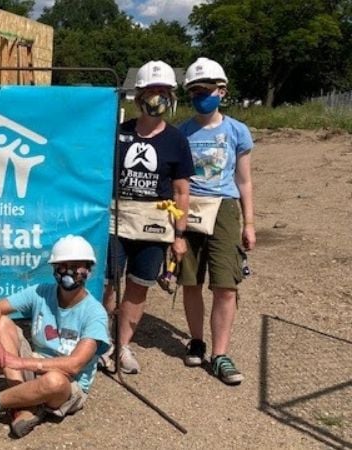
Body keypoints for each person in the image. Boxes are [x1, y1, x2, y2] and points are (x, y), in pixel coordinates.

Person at [0, 235, 110, 438]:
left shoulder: (95, 313)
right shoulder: (41, 292)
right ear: (54, 268)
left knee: (54, 381)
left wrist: (20, 362)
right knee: (1, 322)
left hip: (68, 384)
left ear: (88, 269)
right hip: (36, 363)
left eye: (76, 265)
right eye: (62, 265)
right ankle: (24, 406)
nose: (68, 271)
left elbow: (74, 365)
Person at [102, 60, 194, 374]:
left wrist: (179, 236)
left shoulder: (176, 140)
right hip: (117, 219)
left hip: (154, 226)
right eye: (151, 90)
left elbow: (182, 190)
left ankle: (122, 344)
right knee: (108, 283)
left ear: (171, 96)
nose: (157, 97)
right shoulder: (118, 133)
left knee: (139, 286)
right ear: (138, 95)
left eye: (163, 91)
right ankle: (102, 343)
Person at [178, 57, 255, 385]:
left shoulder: (237, 130)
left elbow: (245, 180)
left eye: (206, 90)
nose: (200, 96)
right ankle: (197, 340)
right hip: (190, 206)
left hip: (223, 207)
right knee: (190, 281)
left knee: (225, 284)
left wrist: (248, 222)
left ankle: (220, 354)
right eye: (194, 91)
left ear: (222, 91)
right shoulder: (181, 131)